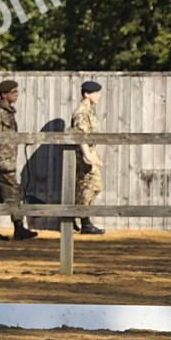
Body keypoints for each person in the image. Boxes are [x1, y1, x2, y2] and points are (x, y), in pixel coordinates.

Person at [0, 80, 37, 241]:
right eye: (13, 92)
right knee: (14, 192)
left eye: (17, 92)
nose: (16, 95)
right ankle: (19, 227)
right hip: (2, 163)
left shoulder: (8, 112)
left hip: (7, 160)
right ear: (4, 94)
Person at [70, 80, 105, 235]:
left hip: (90, 154)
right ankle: (84, 222)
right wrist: (89, 157)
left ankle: (73, 217)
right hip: (85, 157)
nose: (99, 95)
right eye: (96, 92)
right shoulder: (82, 111)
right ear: (87, 94)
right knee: (87, 188)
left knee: (93, 187)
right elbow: (81, 136)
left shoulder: (89, 110)